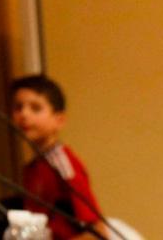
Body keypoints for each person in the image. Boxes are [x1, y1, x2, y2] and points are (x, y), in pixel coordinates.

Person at [8, 74, 105, 240]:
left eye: (35, 108)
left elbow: (97, 230)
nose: (24, 115)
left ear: (59, 120)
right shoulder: (32, 168)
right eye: (18, 107)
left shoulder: (63, 165)